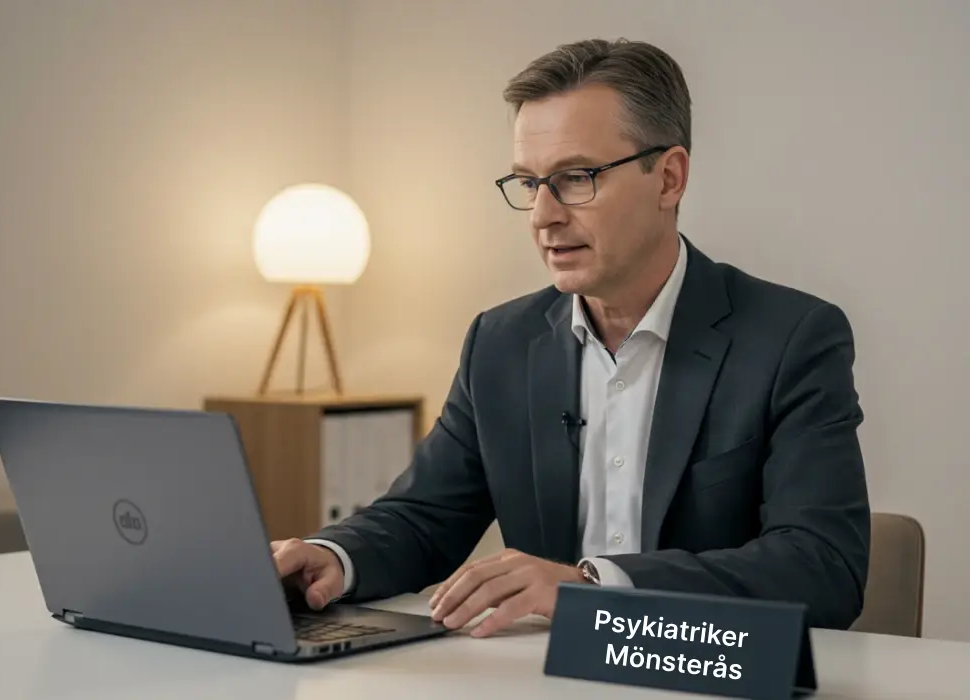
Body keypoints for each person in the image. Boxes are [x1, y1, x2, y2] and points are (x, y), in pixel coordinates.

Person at [270, 38, 870, 639]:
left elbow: (821, 567)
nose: (543, 216)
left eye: (576, 178)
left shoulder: (791, 338)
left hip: (708, 668)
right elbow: (424, 517)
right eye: (529, 183)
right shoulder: (500, 343)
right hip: (543, 674)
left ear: (668, 178)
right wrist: (333, 557)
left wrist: (594, 588)